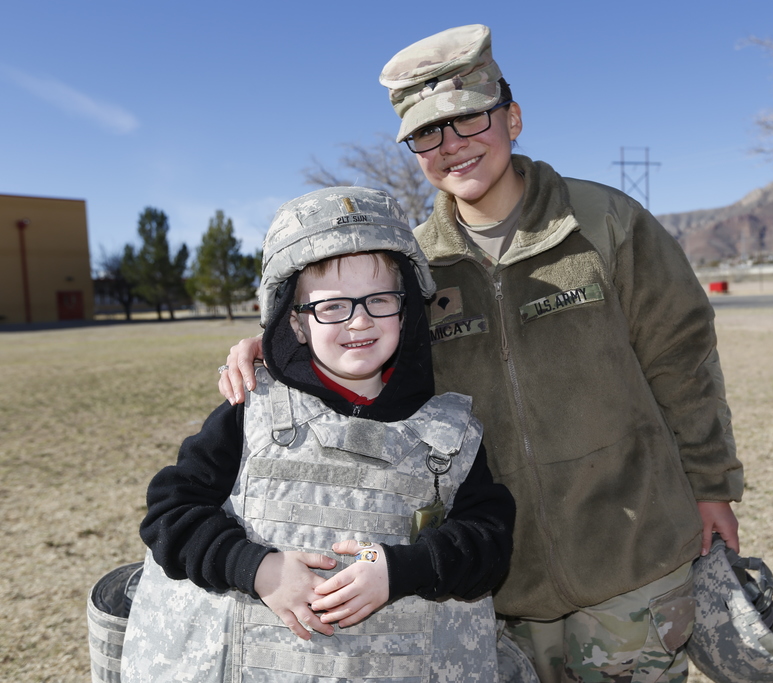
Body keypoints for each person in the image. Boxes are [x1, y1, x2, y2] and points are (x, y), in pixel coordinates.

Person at [220, 25, 744, 682]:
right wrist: (274, 349)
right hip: (496, 589)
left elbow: (683, 360)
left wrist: (713, 484)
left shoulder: (605, 223)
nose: (453, 146)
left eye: (470, 119)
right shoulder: (411, 268)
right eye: (427, 134)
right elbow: (359, 365)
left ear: (513, 117)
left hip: (631, 564)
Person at [121, 186, 528, 683]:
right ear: (296, 323)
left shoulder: (452, 433)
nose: (359, 320)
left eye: (379, 300)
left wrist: (404, 570)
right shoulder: (250, 412)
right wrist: (258, 569)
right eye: (332, 307)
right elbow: (170, 515)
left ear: (407, 312)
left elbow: (488, 542)